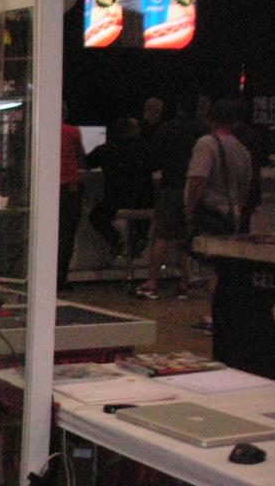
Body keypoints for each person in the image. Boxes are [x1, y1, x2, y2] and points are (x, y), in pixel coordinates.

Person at [184, 98, 254, 335]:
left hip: (211, 213)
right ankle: (223, 315)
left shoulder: (207, 143)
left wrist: (189, 209)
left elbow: (198, 179)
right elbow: (245, 187)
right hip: (231, 215)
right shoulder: (241, 149)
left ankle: (212, 316)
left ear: (211, 119)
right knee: (224, 269)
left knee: (212, 269)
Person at [136, 96, 208, 298]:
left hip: (171, 186)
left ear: (178, 107)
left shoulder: (167, 128)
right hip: (194, 188)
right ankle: (185, 282)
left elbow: (152, 157)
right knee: (186, 238)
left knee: (162, 236)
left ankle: (152, 281)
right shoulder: (203, 131)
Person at [86, 116, 154, 260]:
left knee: (96, 216)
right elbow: (156, 165)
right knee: (144, 209)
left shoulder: (106, 149)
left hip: (116, 199)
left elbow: (86, 163)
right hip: (144, 200)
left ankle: (116, 239)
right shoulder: (146, 149)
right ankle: (141, 238)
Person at [57, 102, 86, 291]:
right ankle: (60, 278)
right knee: (67, 235)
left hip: (51, 186)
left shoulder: (42, 130)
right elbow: (81, 157)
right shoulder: (72, 131)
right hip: (70, 187)